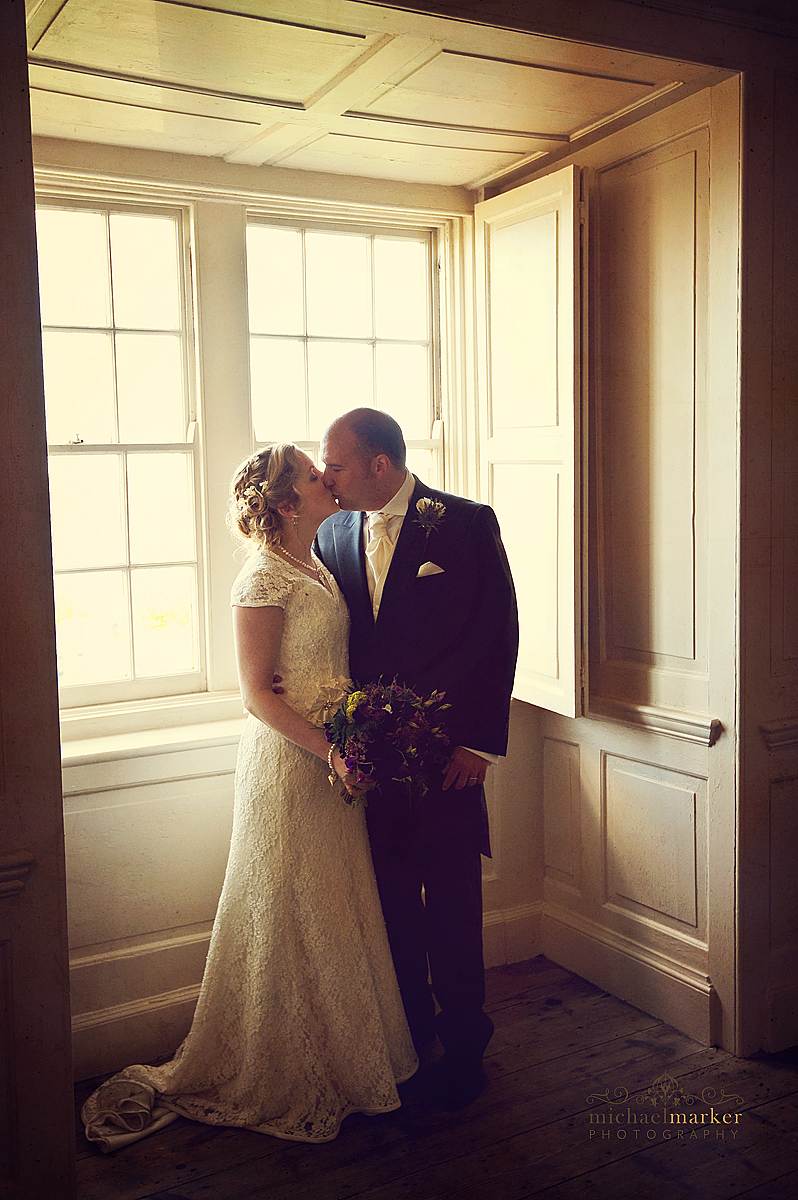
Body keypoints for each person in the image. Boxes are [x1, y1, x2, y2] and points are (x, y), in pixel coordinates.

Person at [82, 444, 417, 1152]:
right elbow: (257, 696)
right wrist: (332, 749)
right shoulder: (262, 576)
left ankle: (341, 1056)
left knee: (330, 904)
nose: (326, 476)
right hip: (294, 765)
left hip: (334, 761)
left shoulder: (318, 559)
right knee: (289, 903)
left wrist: (355, 733)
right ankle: (281, 1068)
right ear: (289, 502)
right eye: (309, 470)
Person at [316, 409, 519, 1109]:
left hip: (449, 756)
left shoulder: (462, 523)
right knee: (393, 907)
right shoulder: (330, 532)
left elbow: (498, 633)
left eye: (335, 464)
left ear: (380, 464)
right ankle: (410, 1042)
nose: (325, 476)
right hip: (371, 764)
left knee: (453, 908)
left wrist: (477, 742)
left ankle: (467, 1049)